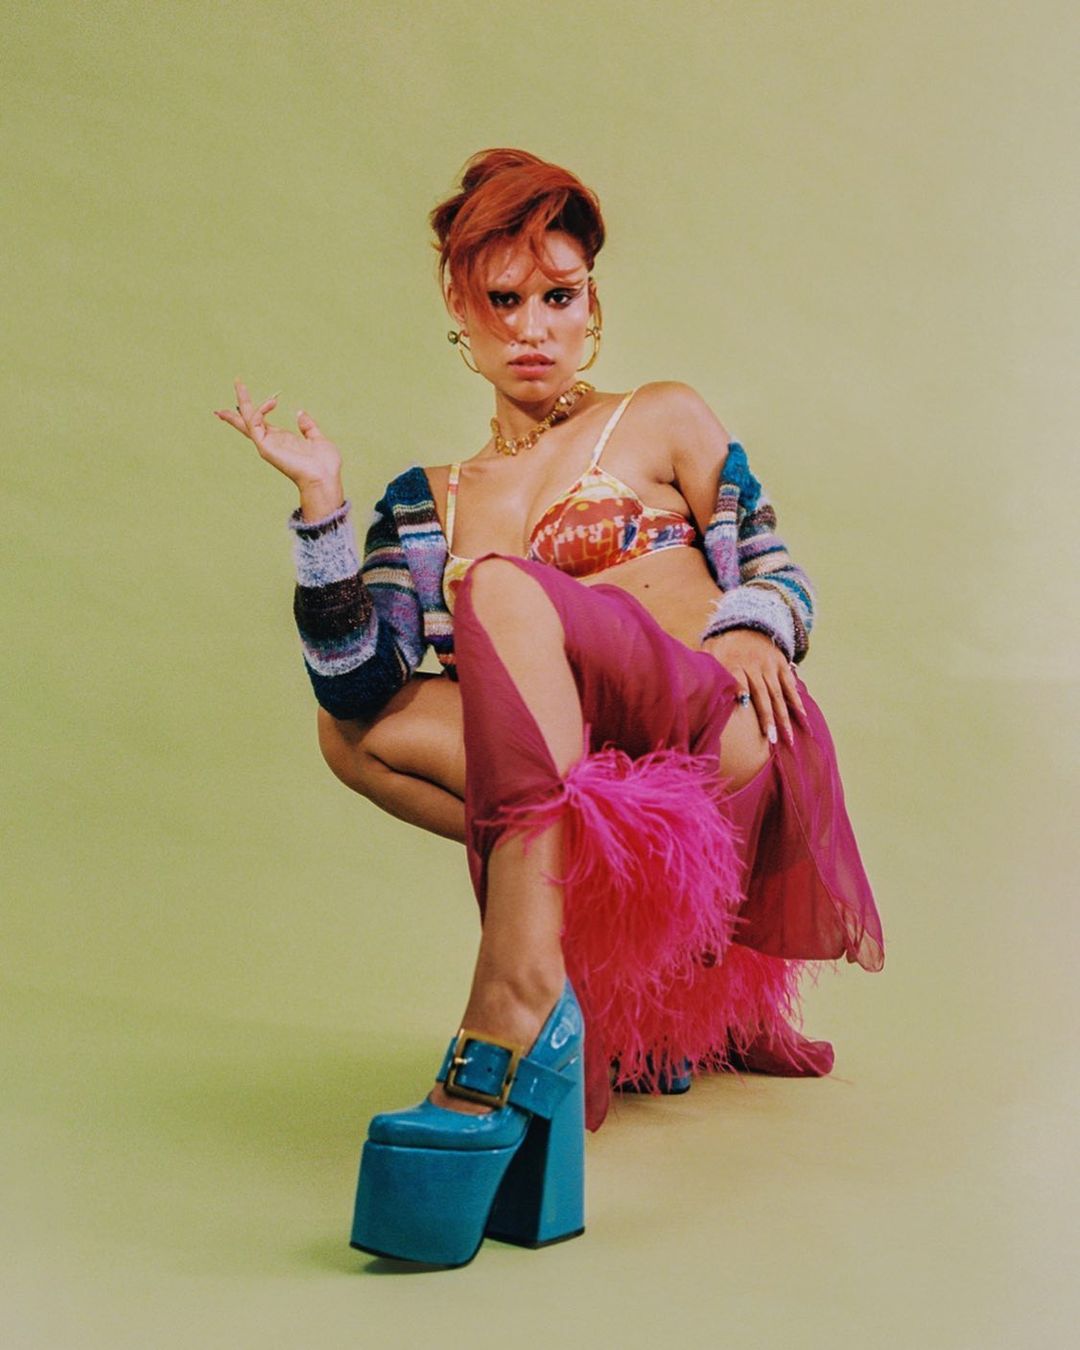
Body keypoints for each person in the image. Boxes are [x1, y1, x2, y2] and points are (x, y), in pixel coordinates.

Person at [214, 147, 884, 1267]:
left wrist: (753, 623)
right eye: (503, 301)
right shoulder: (427, 503)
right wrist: (322, 508)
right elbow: (363, 686)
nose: (533, 329)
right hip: (591, 786)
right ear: (460, 315)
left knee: (502, 587)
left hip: (710, 728)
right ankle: (552, 951)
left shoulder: (660, 417)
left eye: (558, 297)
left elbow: (774, 563)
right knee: (347, 732)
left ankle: (515, 999)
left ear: (592, 306)